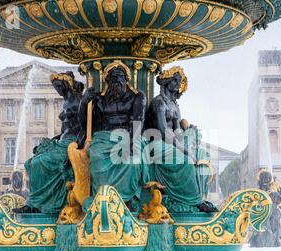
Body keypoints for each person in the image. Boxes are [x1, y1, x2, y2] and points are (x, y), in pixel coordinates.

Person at [78, 60, 147, 210]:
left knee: (132, 159)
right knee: (96, 156)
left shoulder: (137, 97)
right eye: (113, 77)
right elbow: (84, 124)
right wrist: (84, 102)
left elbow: (138, 121)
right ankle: (101, 197)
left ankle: (127, 199)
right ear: (107, 81)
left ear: (126, 79)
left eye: (120, 76)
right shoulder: (99, 99)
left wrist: (129, 142)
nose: (117, 80)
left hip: (128, 135)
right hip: (103, 137)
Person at [145, 66, 215, 212]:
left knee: (201, 155)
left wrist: (187, 144)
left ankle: (199, 195)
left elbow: (176, 130)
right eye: (175, 80)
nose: (178, 84)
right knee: (186, 160)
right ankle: (194, 201)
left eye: (179, 81)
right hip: (157, 143)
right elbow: (163, 131)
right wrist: (184, 150)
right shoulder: (159, 103)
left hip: (172, 143)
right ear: (166, 81)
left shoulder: (174, 106)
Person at [15, 71, 82, 214]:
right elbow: (66, 129)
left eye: (59, 86)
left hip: (72, 142)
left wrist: (78, 146)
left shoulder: (78, 100)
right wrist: (53, 140)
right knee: (30, 163)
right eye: (55, 86)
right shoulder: (66, 102)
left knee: (41, 162)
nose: (57, 89)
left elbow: (84, 127)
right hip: (63, 140)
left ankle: (38, 204)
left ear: (67, 84)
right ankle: (34, 202)